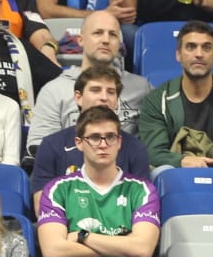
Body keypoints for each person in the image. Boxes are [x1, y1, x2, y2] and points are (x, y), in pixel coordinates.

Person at [34, 106, 168, 257]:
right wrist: (123, 245)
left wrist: (83, 237)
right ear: (79, 143)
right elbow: (53, 251)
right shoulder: (57, 189)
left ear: (119, 141)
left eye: (110, 137)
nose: (103, 144)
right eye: (95, 137)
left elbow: (142, 249)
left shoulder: (142, 188)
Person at [30, 65, 152, 215]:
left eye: (111, 92)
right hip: (64, 233)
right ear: (78, 97)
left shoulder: (135, 148)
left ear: (117, 101)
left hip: (119, 233)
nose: (104, 97)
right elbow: (42, 209)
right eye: (95, 90)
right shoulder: (51, 145)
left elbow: (140, 210)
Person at [29, 11, 150, 154]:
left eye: (113, 34)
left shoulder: (141, 88)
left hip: (125, 170)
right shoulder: (54, 89)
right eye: (98, 33)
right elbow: (40, 146)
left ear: (119, 43)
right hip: (68, 170)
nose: (106, 40)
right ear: (81, 40)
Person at [137, 21, 213, 172]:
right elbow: (153, 152)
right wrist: (182, 161)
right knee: (161, 170)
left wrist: (207, 164)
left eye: (206, 47)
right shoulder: (157, 99)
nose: (199, 54)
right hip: (175, 171)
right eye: (191, 47)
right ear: (178, 55)